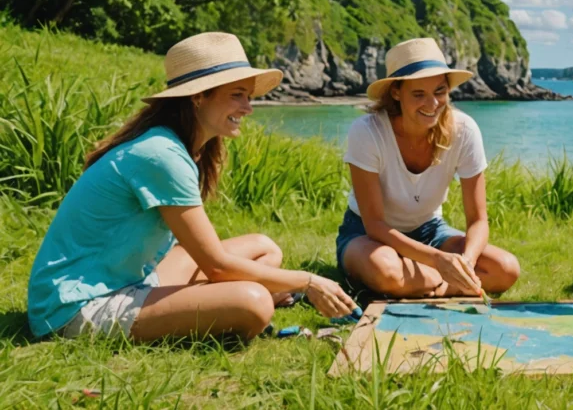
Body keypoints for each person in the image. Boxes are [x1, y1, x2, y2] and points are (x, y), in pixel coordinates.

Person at [27, 32, 358, 342]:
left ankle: (222, 304)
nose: (248, 108)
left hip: (129, 277)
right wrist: (308, 281)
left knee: (263, 247)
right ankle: (233, 306)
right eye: (237, 95)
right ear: (199, 97)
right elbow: (215, 265)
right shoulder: (160, 154)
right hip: (77, 305)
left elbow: (207, 258)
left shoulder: (179, 147)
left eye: (248, 96)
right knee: (254, 302)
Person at [336, 38, 520, 298]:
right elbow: (375, 224)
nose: (432, 104)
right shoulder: (367, 132)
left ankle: (419, 285)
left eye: (439, 92)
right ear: (396, 92)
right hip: (369, 235)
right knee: (386, 270)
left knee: (505, 269)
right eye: (418, 94)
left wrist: (465, 263)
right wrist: (438, 261)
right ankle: (432, 283)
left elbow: (478, 220)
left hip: (429, 230)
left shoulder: (464, 130)